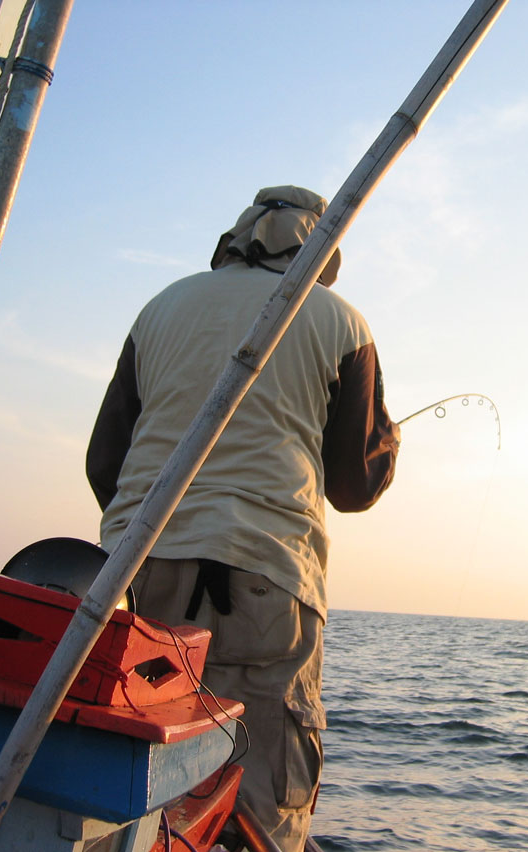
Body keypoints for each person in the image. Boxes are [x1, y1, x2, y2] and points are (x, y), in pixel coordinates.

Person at [86, 185, 400, 852]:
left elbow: (105, 466)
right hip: (268, 579)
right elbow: (355, 485)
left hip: (135, 571)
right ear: (319, 251)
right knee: (259, 802)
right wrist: (388, 439)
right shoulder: (340, 322)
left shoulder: (161, 307)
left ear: (234, 240)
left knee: (136, 785)